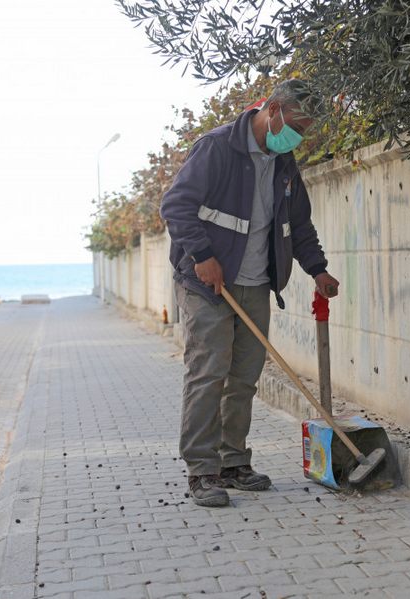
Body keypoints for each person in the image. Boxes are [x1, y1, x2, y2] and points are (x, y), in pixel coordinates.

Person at [161, 79, 340, 507]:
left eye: (305, 129)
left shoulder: (285, 163)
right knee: (209, 373)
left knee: (243, 378)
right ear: (273, 109)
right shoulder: (218, 148)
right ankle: (202, 470)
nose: (298, 135)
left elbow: (299, 226)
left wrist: (317, 269)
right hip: (207, 282)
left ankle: (233, 461)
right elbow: (176, 206)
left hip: (257, 282)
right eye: (296, 124)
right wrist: (203, 256)